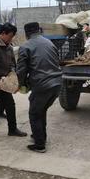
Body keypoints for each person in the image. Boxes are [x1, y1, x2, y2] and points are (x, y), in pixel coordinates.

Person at [17, 22, 62, 153]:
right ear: (39, 30)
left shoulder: (26, 46)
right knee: (41, 111)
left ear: (26, 34)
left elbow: (21, 70)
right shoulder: (49, 43)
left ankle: (40, 145)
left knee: (35, 113)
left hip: (42, 84)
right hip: (57, 83)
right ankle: (40, 136)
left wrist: (20, 84)